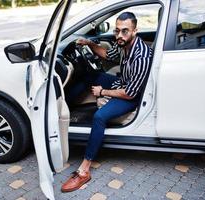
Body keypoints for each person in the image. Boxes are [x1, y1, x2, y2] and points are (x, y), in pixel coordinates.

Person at [61, 12, 153, 192]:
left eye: (125, 31)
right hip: (123, 82)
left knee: (99, 117)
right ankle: (62, 110)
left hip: (132, 95)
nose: (119, 35)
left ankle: (84, 170)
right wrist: (90, 43)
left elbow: (130, 93)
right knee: (91, 76)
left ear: (135, 31)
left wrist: (102, 91)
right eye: (117, 30)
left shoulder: (140, 56)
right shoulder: (123, 43)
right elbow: (108, 54)